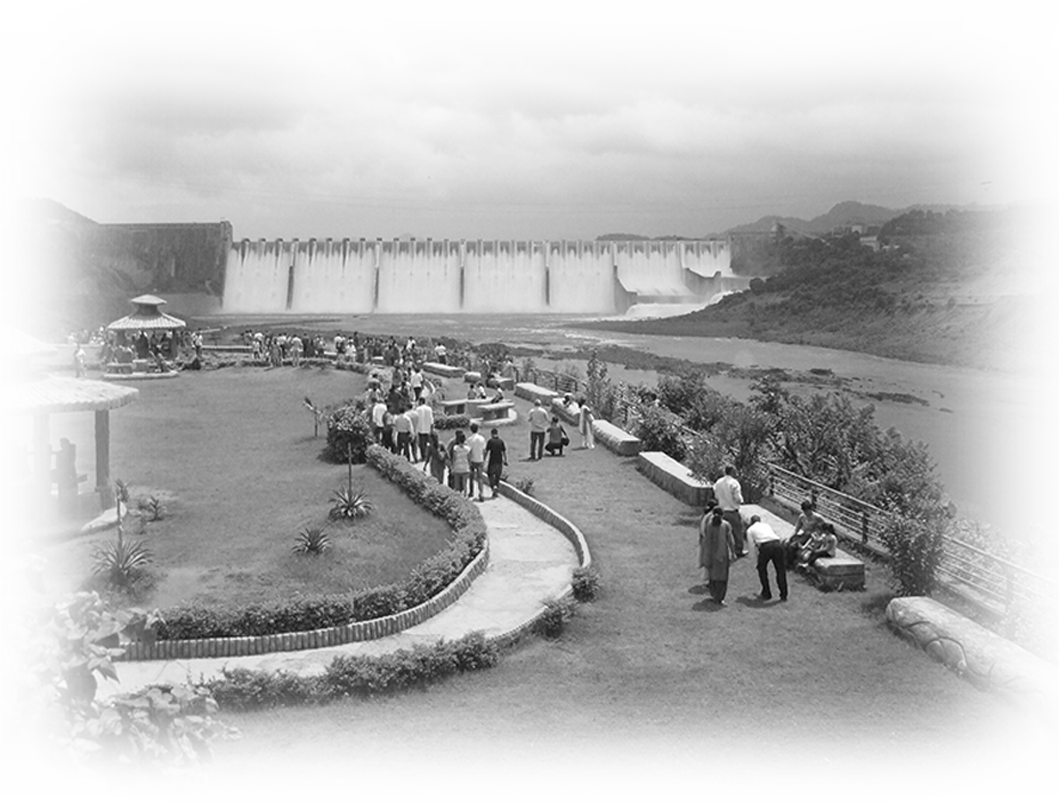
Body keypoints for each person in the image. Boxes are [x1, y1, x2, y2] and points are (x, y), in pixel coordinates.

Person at [699, 505, 736, 605]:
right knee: (722, 577)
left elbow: (706, 539)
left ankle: (714, 595)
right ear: (723, 514)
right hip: (722, 555)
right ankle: (720, 598)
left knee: (713, 575)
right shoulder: (726, 525)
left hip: (710, 554)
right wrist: (733, 552)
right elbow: (730, 540)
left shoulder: (709, 525)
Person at [746, 514, 788, 601]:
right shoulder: (766, 525)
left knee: (761, 569)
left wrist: (753, 557)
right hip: (777, 544)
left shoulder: (750, 530)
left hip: (766, 546)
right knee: (780, 570)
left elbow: (751, 545)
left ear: (751, 522)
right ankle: (784, 594)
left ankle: (766, 592)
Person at [713, 465, 746, 557]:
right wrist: (740, 501)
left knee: (722, 532)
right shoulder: (734, 483)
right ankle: (738, 550)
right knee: (737, 531)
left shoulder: (718, 482)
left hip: (722, 511)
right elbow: (737, 497)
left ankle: (722, 551)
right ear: (731, 472)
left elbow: (716, 495)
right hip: (732, 510)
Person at [787, 499, 825, 566]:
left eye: (807, 511)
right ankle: (789, 562)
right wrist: (790, 537)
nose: (806, 513)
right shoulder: (802, 517)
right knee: (789, 544)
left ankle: (792, 563)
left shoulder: (818, 518)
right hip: (803, 535)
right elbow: (797, 529)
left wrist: (820, 538)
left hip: (812, 537)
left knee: (795, 546)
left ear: (811, 509)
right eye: (804, 511)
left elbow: (825, 529)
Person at [466, 422, 487, 501]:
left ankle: (471, 492)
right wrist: (484, 459)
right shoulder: (482, 438)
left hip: (472, 460)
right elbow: (484, 450)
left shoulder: (469, 439)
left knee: (471, 477)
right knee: (480, 478)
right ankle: (481, 493)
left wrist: (468, 461)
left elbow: (468, 451)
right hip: (480, 459)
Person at [484, 428, 507, 499]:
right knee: (497, 477)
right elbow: (504, 452)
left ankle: (493, 486)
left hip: (492, 461)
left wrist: (484, 459)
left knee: (490, 474)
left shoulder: (490, 441)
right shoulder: (501, 441)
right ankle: (496, 488)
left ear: (491, 434)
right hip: (499, 462)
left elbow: (486, 451)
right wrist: (505, 460)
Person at [449, 430, 471, 495]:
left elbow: (454, 458)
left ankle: (457, 497)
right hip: (465, 468)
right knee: (465, 484)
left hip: (457, 468)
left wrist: (452, 467)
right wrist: (469, 467)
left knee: (457, 485)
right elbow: (469, 459)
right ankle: (465, 496)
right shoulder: (467, 448)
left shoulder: (455, 448)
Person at [415, 397, 434, 463]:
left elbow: (416, 419)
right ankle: (428, 456)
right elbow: (431, 420)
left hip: (420, 429)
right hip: (428, 429)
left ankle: (423, 456)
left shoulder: (418, 409)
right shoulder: (429, 409)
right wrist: (432, 429)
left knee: (421, 444)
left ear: (420, 402)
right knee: (428, 443)